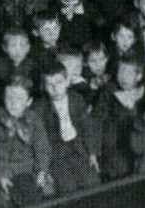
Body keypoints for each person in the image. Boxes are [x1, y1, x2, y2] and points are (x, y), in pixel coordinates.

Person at [0, 77, 53, 208]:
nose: (13, 103)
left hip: (29, 169)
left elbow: (42, 147)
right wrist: (0, 175)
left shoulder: (33, 119)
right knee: (7, 201)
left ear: (29, 102)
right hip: (4, 169)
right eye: (9, 98)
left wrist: (42, 170)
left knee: (42, 193)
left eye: (19, 99)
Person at [35, 60, 101, 196]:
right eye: (49, 84)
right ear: (44, 86)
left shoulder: (76, 99)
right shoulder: (40, 108)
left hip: (78, 147)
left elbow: (88, 127)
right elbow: (39, 141)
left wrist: (92, 153)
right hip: (56, 152)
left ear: (67, 81)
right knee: (68, 188)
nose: (55, 88)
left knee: (92, 183)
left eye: (59, 82)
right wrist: (44, 168)